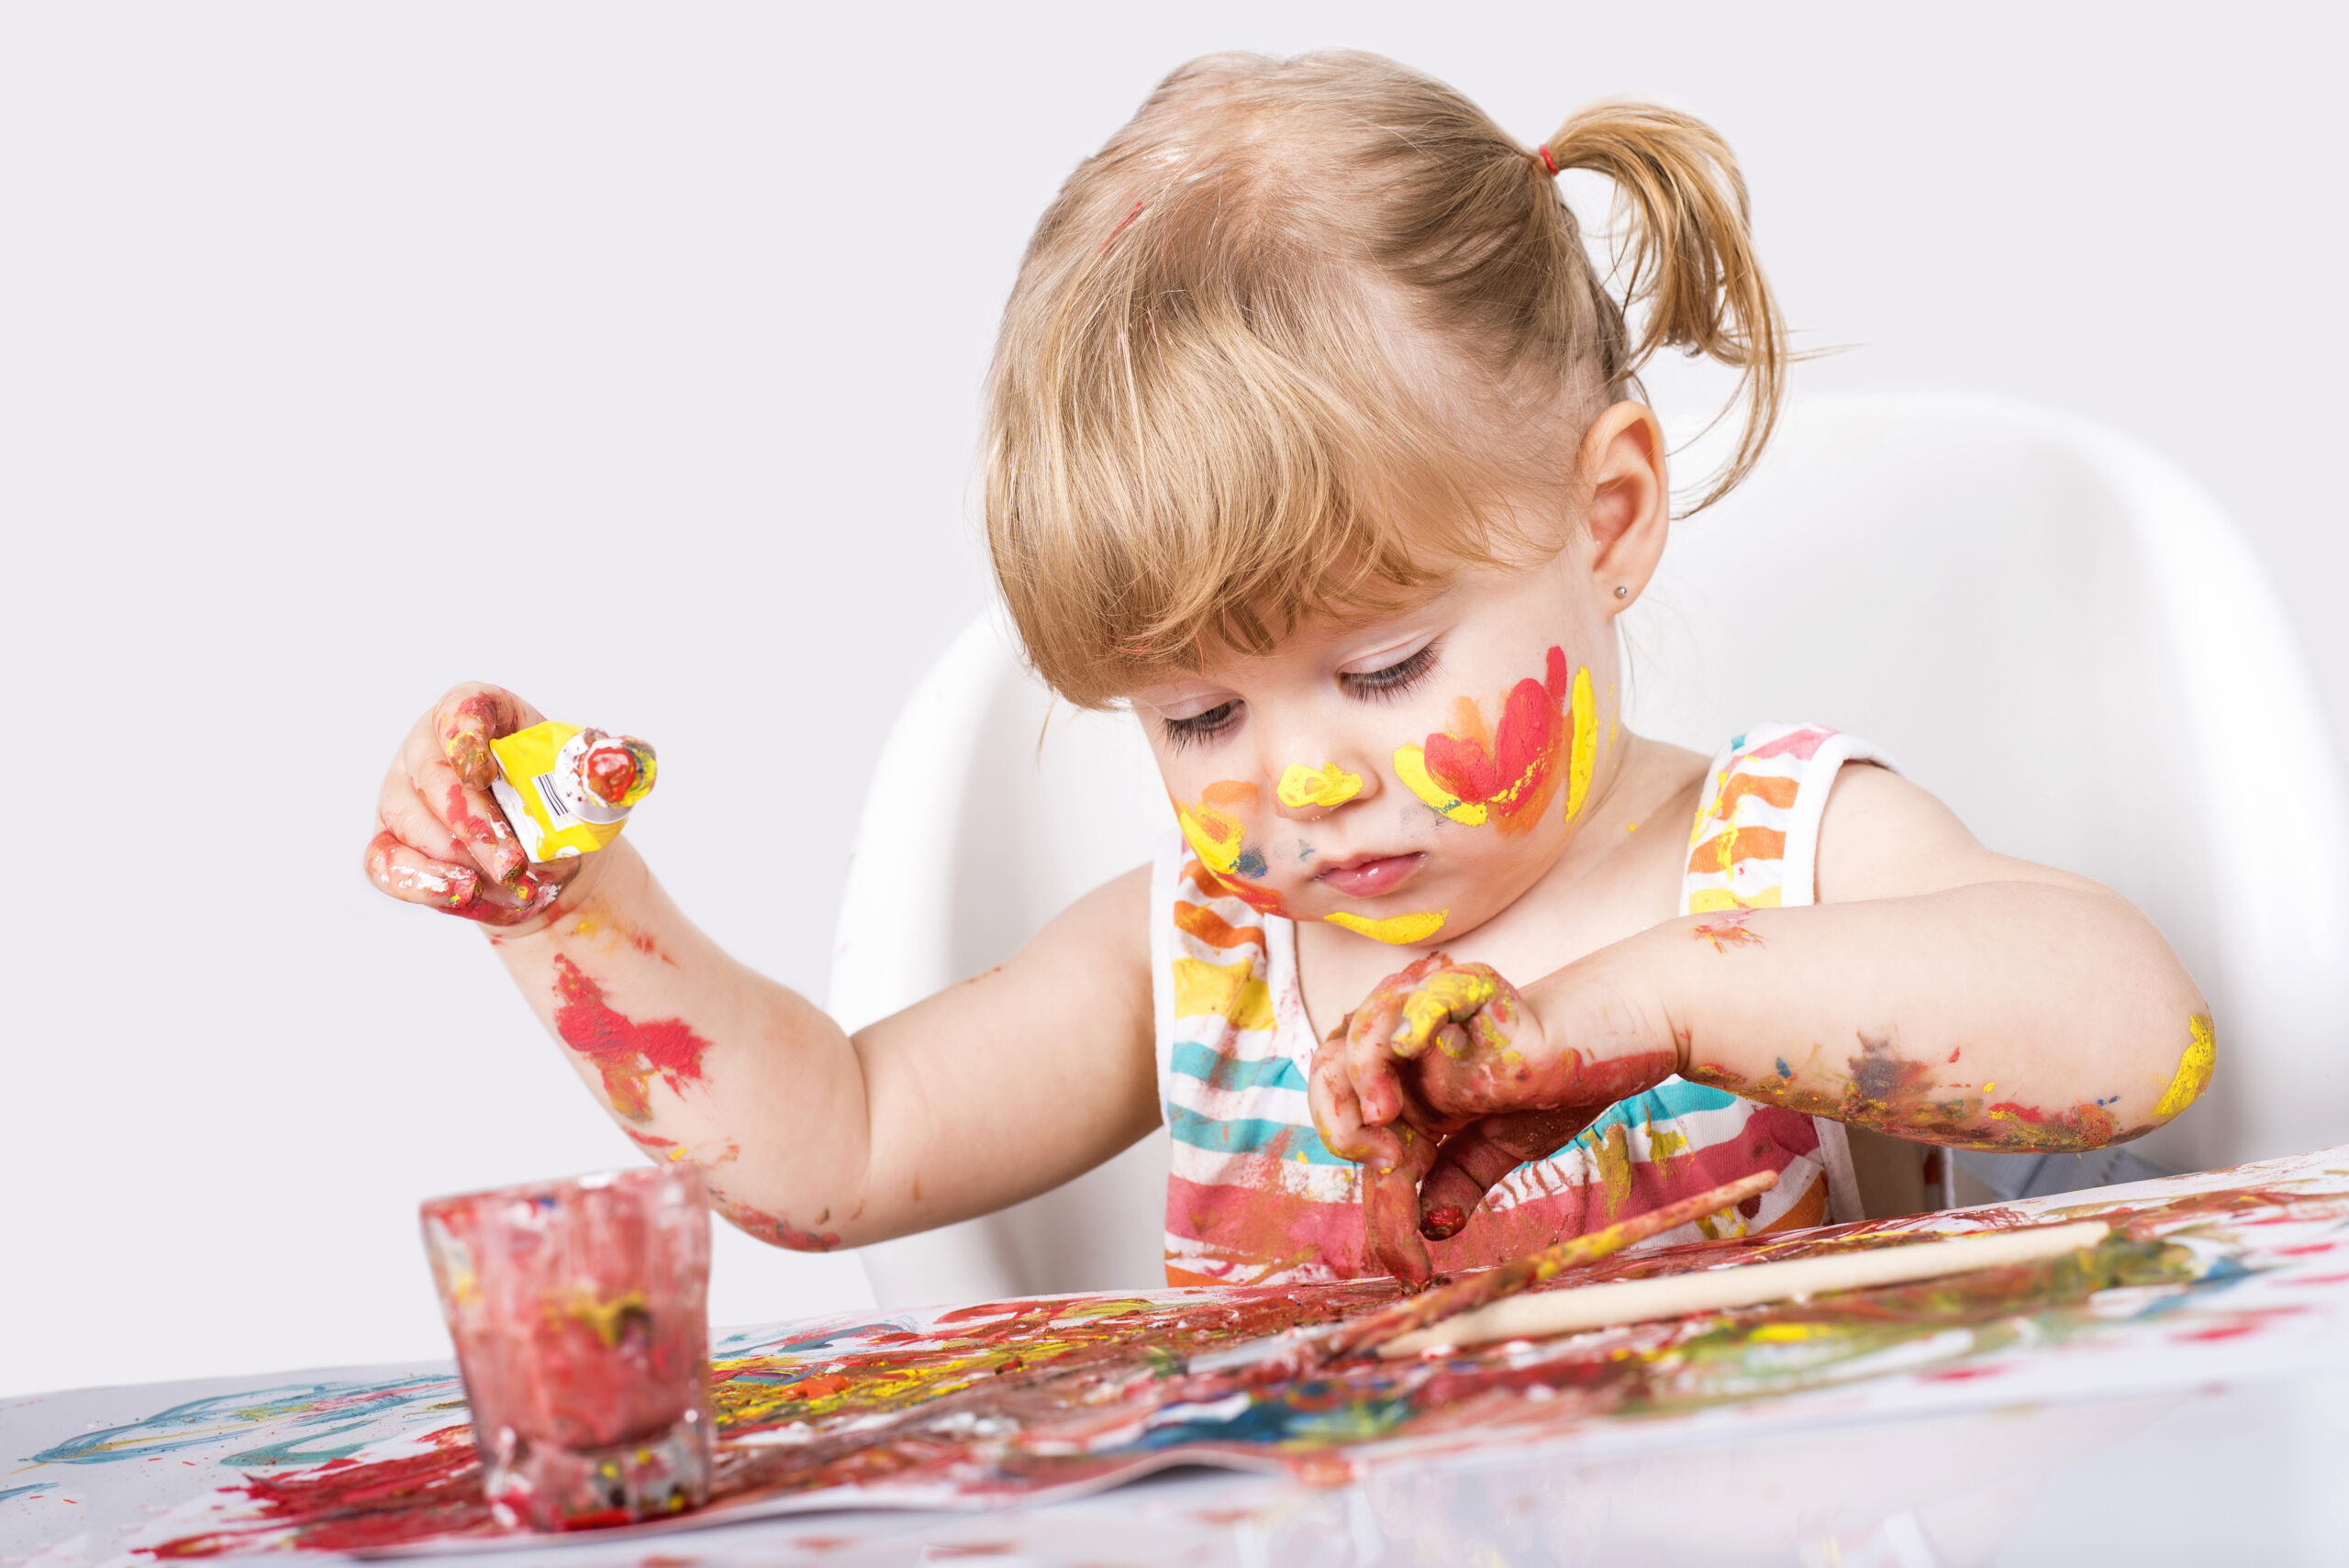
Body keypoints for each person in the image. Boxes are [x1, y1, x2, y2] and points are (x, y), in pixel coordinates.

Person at [363, 51, 2213, 1291]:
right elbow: (827, 1152)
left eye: (1389, 666)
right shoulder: (1199, 957)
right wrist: (566, 909)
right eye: (1196, 715)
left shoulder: (1772, 862)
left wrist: (1634, 1012)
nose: (1304, 781)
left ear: (1610, 513)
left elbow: (2130, 1035)